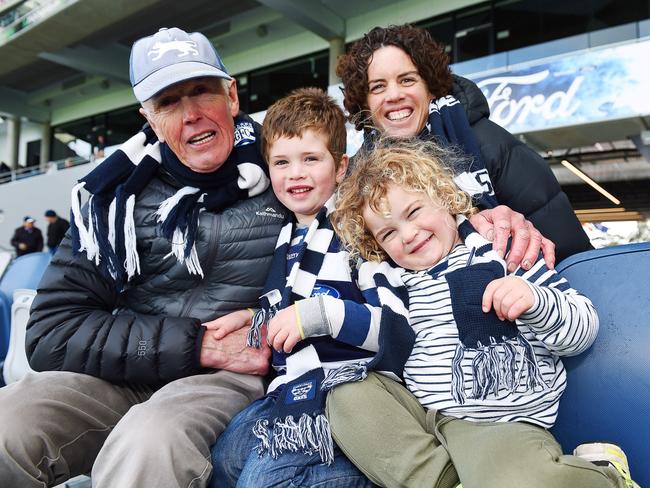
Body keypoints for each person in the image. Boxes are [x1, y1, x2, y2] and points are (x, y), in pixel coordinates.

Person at [0, 27, 285, 488]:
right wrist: (192, 344)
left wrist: (256, 324)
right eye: (169, 102)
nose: (191, 114)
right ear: (149, 119)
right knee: (6, 426)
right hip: (131, 368)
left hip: (233, 374)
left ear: (231, 96)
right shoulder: (113, 201)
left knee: (148, 442)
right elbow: (52, 331)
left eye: (201, 91)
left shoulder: (287, 168)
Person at [327, 138, 636, 488]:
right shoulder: (392, 285)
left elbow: (582, 329)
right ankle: (448, 481)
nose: (409, 234)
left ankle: (603, 476)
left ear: (444, 198)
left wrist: (534, 300)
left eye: (413, 212)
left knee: (520, 480)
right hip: (422, 419)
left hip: (495, 422)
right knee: (347, 395)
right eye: (388, 233)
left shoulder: (504, 253)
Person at [210, 88, 378, 487]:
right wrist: (255, 316)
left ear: (340, 168)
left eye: (310, 159)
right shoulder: (287, 237)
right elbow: (291, 303)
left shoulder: (360, 231)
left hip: (345, 390)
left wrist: (317, 315)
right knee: (225, 460)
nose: (295, 174)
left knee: (261, 481)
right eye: (282, 162)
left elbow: (390, 324)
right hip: (288, 389)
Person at [336, 24, 593, 266]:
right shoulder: (356, 179)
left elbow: (569, 253)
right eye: (378, 86)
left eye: (407, 80)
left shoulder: (490, 145)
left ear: (431, 88)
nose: (393, 95)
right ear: (365, 101)